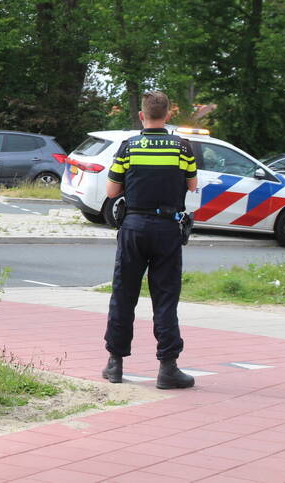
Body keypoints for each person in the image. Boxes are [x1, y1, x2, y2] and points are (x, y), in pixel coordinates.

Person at [102, 91, 198, 390]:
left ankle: (115, 363)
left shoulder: (128, 147)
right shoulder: (182, 147)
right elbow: (193, 185)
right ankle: (168, 368)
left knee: (124, 294)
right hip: (168, 227)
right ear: (167, 115)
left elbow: (110, 191)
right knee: (165, 297)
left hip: (134, 226)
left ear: (142, 115)